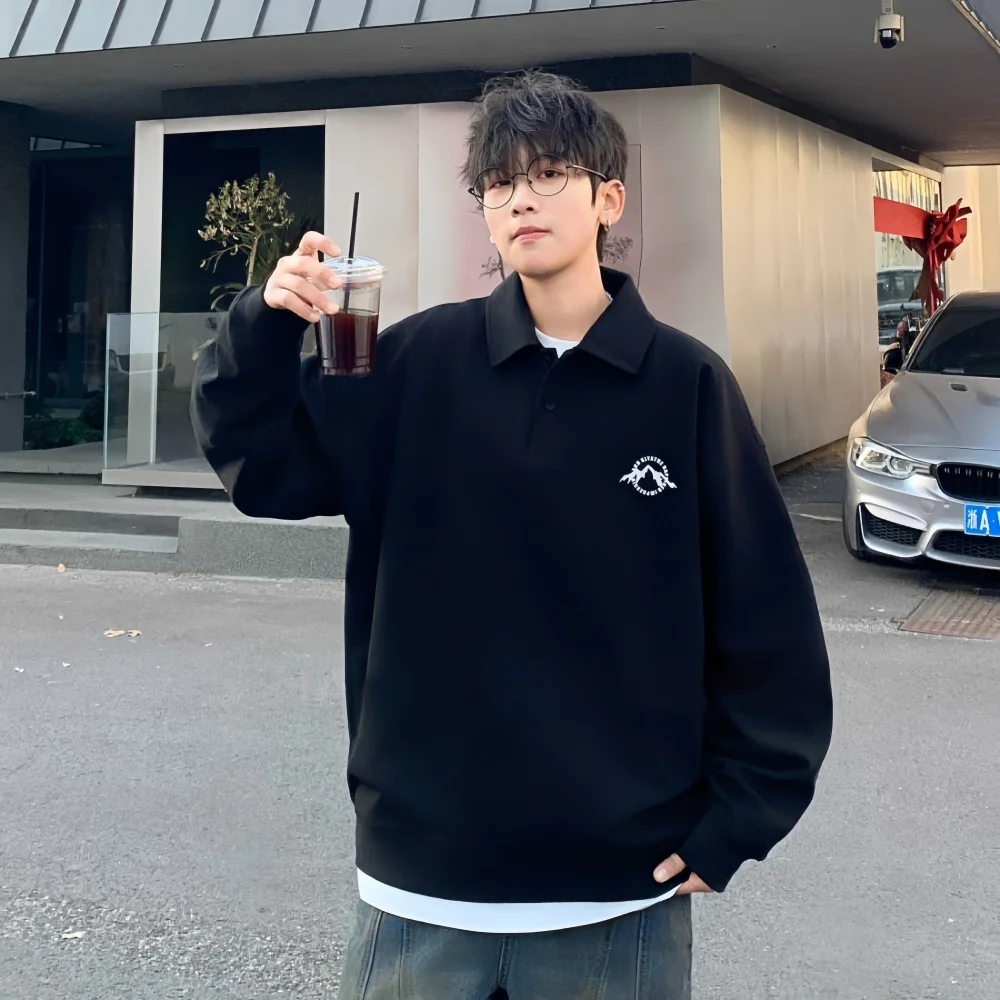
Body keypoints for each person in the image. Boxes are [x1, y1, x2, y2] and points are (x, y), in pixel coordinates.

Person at [192, 71, 833, 1000]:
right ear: (485, 216)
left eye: (549, 174)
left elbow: (766, 620)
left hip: (618, 896)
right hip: (418, 885)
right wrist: (262, 324)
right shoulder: (412, 364)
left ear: (609, 199)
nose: (521, 198)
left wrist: (738, 820)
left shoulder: (686, 386)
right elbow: (264, 470)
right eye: (499, 183)